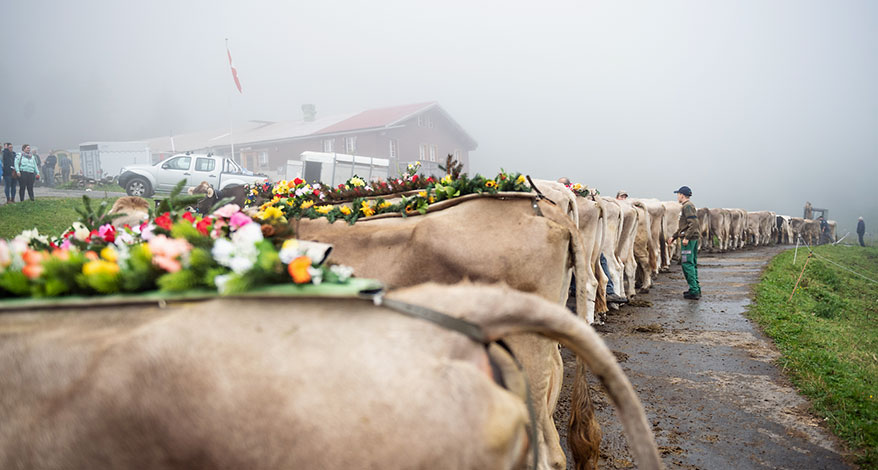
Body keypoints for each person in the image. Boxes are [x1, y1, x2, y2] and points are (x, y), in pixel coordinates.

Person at [668, 186, 701, 300]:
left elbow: (694, 223)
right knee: (692, 263)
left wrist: (686, 237)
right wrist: (674, 236)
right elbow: (685, 226)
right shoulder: (688, 206)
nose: (677, 196)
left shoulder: (687, 206)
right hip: (692, 238)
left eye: (678, 194)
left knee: (687, 264)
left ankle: (694, 291)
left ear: (682, 195)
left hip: (689, 240)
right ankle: (695, 289)